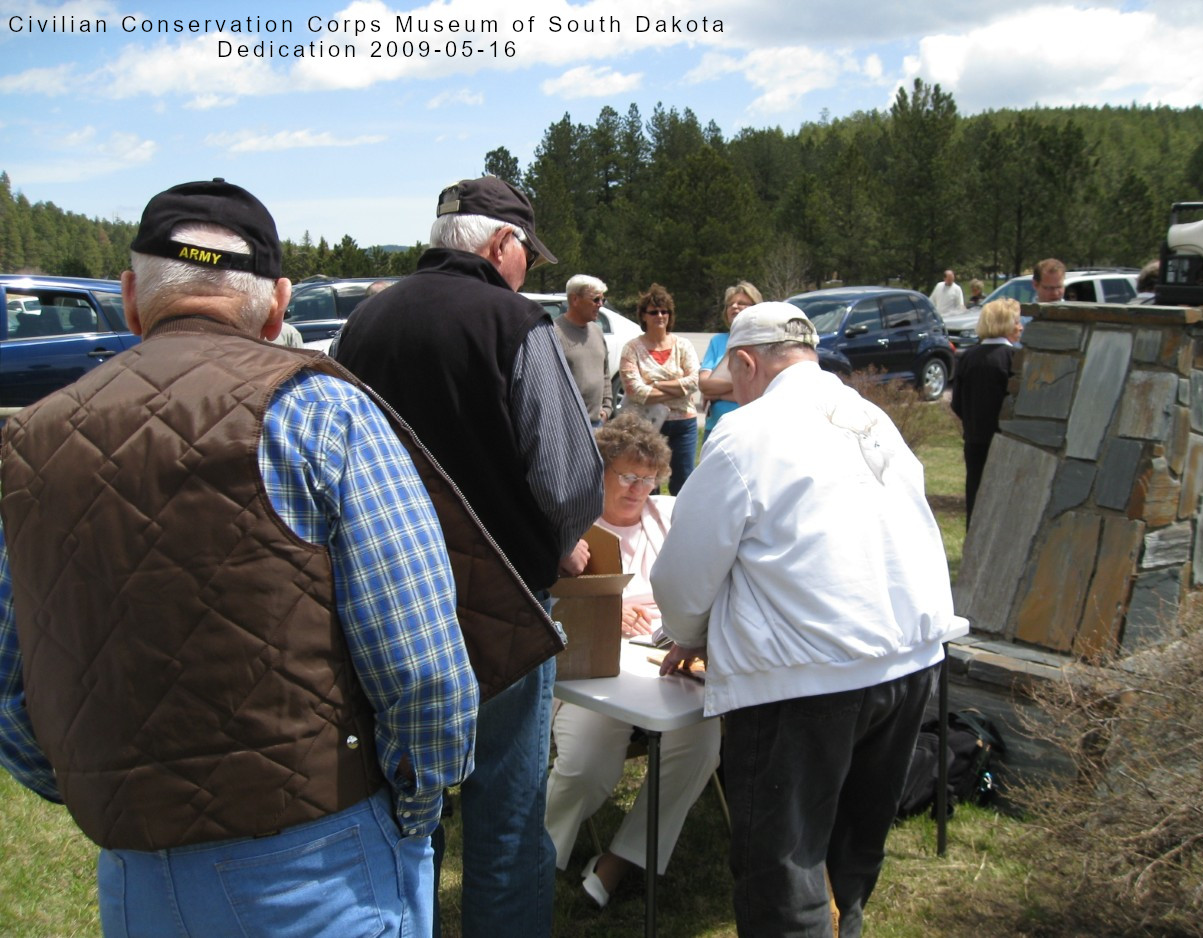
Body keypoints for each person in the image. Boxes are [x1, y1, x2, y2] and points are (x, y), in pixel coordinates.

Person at [0, 178, 481, 936]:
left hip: (134, 872)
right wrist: (416, 810)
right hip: (318, 863)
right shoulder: (322, 409)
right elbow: (424, 666)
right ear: (278, 301)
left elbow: (14, 689)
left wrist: (110, 798)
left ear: (130, 297)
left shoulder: (28, 440)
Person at [333, 175, 603, 938]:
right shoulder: (513, 321)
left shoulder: (365, 322)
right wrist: (563, 541)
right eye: (528, 253)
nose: (530, 272)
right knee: (508, 811)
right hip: (502, 603)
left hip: (384, 599)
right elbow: (571, 478)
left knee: (408, 798)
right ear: (499, 245)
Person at [650, 302, 968, 938]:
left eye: (734, 378)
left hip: (805, 677)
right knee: (850, 856)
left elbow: (684, 573)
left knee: (786, 874)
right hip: (906, 663)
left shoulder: (747, 431)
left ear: (745, 362)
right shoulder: (872, 418)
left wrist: (688, 632)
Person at [544, 414, 721, 907]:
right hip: (594, 671)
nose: (638, 488)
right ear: (599, 472)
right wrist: (606, 607)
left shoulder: (668, 517)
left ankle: (619, 861)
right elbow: (546, 604)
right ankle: (540, 854)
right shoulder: (572, 532)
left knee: (702, 739)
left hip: (665, 664)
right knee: (587, 762)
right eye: (627, 476)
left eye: (648, 478)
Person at [618, 283, 700, 494]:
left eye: (665, 311)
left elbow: (693, 381)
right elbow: (635, 392)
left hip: (684, 425)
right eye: (654, 312)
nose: (660, 316)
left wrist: (653, 385)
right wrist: (679, 387)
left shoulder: (683, 345)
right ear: (643, 316)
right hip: (648, 425)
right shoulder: (632, 349)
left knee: (683, 481)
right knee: (647, 482)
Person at [950, 298, 1022, 526]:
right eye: (1017, 322)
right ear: (1006, 324)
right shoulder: (1015, 360)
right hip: (1006, 443)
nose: (1021, 327)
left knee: (976, 497)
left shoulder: (968, 357)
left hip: (974, 441)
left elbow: (956, 403)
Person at [698, 281, 762, 437]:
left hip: (751, 428)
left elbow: (760, 391)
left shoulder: (763, 343)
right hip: (716, 428)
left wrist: (717, 395)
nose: (734, 307)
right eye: (730, 304)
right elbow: (705, 385)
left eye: (741, 303)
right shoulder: (718, 341)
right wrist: (744, 382)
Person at [555, 274, 612, 426]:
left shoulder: (597, 331)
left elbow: (605, 373)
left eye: (602, 300)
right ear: (575, 300)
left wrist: (607, 408)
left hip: (597, 424)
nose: (600, 304)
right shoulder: (554, 333)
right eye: (595, 300)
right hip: (567, 426)